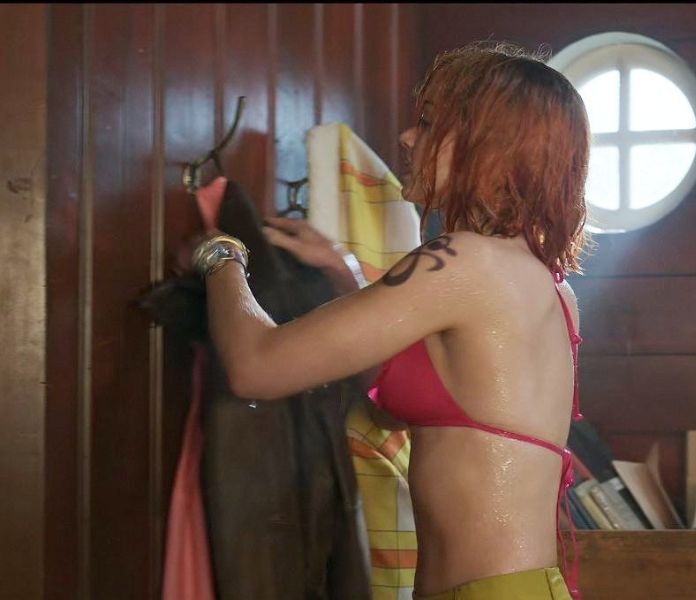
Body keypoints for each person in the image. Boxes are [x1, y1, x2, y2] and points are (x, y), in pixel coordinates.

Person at [191, 41, 591, 600]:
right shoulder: (550, 287)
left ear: (491, 146)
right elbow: (392, 407)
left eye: (428, 124)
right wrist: (344, 272)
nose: (406, 138)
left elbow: (256, 366)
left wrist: (221, 254)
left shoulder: (461, 261)